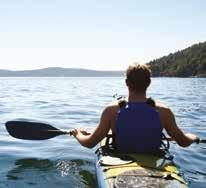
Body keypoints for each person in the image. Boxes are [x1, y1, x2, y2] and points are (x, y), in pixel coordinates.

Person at [71, 63, 199, 152]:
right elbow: (183, 142)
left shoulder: (111, 110)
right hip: (153, 158)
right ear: (149, 83)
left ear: (126, 82)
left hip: (120, 160)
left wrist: (77, 134)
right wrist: (193, 137)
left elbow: (89, 143)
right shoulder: (164, 111)